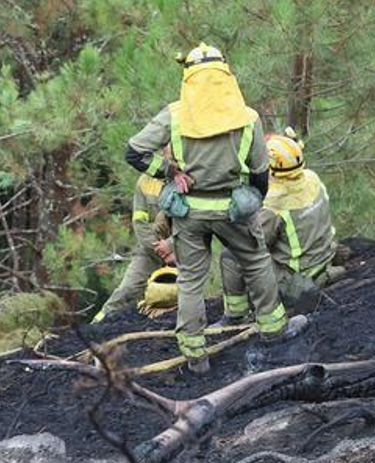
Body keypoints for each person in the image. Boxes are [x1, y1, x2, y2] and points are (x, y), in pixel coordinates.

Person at [124, 43, 292, 375]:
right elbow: (260, 172)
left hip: (189, 214)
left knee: (190, 280)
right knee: (256, 262)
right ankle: (274, 332)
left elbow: (134, 152)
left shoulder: (174, 114)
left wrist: (171, 172)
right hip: (234, 209)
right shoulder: (248, 118)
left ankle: (195, 355)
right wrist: (251, 204)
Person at [218, 128, 339, 320]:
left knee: (231, 255)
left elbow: (249, 243)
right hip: (323, 261)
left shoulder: (275, 206)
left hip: (297, 279)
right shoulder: (312, 179)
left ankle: (235, 315)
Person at [92, 172, 175, 322]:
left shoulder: (190, 176)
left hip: (188, 246)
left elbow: (196, 223)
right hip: (152, 248)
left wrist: (172, 246)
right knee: (127, 289)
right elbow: (139, 224)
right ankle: (95, 326)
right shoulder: (145, 181)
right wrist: (159, 248)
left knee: (184, 292)